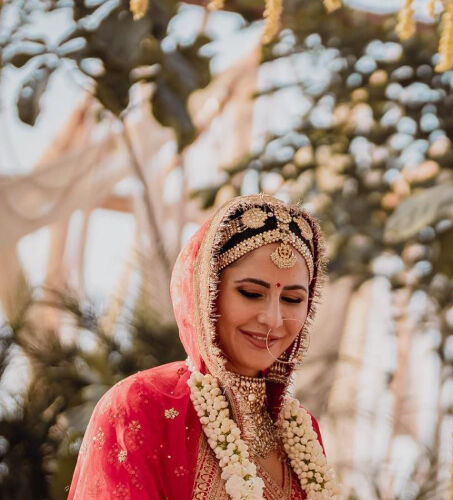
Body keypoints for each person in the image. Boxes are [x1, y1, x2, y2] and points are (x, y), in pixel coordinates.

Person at [68, 195, 338, 499]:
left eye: (292, 299)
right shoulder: (141, 406)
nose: (273, 320)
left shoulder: (300, 434)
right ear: (208, 292)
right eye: (251, 293)